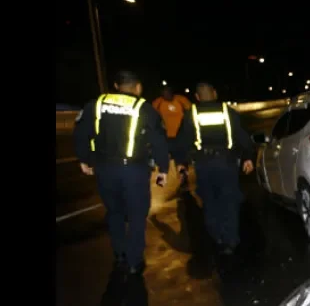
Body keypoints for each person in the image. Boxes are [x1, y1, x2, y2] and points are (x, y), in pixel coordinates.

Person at [73, 70, 171, 274]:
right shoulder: (144, 108)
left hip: (105, 169)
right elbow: (159, 140)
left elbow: (81, 132)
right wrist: (163, 168)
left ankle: (119, 254)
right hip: (134, 170)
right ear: (138, 87)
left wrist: (84, 159)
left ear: (116, 86)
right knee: (136, 214)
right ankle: (135, 261)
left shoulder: (96, 105)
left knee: (114, 212)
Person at [173, 81, 254, 255]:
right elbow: (243, 137)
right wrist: (248, 157)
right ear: (215, 94)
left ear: (197, 97)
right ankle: (231, 240)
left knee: (210, 200)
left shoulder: (191, 114)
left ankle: (217, 236)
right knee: (229, 200)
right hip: (227, 163)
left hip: (204, 164)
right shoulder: (228, 112)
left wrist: (182, 163)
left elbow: (182, 141)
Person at [152, 86, 192, 187]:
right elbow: (152, 117)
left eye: (168, 93)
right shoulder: (158, 102)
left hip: (181, 135)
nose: (166, 96)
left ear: (172, 93)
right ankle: (168, 178)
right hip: (166, 136)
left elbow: (190, 114)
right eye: (164, 94)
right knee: (167, 157)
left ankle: (183, 177)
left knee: (182, 157)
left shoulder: (181, 100)